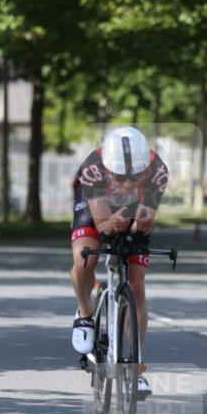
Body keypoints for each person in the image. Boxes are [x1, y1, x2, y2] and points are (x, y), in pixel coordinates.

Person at [70, 126, 169, 398]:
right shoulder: (92, 168)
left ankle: (137, 369)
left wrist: (138, 225)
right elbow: (102, 225)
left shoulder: (157, 170)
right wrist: (111, 224)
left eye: (134, 177)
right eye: (120, 176)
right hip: (95, 210)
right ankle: (85, 313)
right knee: (83, 260)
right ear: (107, 167)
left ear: (144, 168)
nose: (127, 184)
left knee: (136, 286)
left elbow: (145, 221)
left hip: (134, 211)